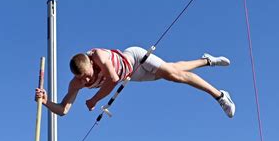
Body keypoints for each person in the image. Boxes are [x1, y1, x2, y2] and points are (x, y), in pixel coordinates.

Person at [35, 46, 235, 117]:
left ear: (90, 62)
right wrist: (46, 102)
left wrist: (94, 100)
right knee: (174, 70)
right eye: (83, 78)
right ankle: (207, 60)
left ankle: (219, 95)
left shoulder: (99, 57)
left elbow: (113, 79)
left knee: (174, 75)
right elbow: (63, 110)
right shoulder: (76, 84)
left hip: (136, 58)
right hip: (134, 76)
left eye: (88, 73)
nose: (87, 79)